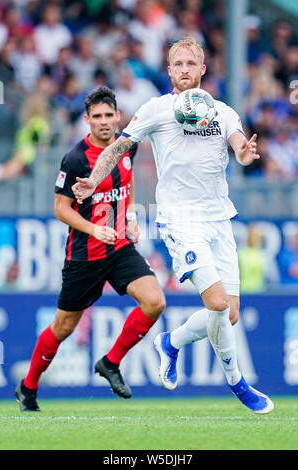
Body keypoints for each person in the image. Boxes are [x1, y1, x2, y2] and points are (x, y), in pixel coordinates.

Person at [72, 38, 274, 415]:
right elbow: (117, 148)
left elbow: (239, 145)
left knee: (228, 313)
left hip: (219, 218)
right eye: (177, 63)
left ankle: (170, 342)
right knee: (215, 302)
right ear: (169, 71)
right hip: (180, 219)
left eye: (190, 63)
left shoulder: (222, 111)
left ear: (202, 69)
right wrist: (93, 179)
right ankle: (239, 384)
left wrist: (245, 154)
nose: (184, 69)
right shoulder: (157, 110)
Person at [15, 86, 166, 412]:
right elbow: (61, 208)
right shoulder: (75, 158)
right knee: (63, 327)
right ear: (87, 120)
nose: (103, 121)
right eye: (96, 116)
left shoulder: (126, 147)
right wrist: (93, 227)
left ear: (117, 116)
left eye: (108, 115)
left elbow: (127, 182)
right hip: (86, 254)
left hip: (120, 247)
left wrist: (130, 216)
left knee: (155, 301)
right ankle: (28, 387)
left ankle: (110, 363)